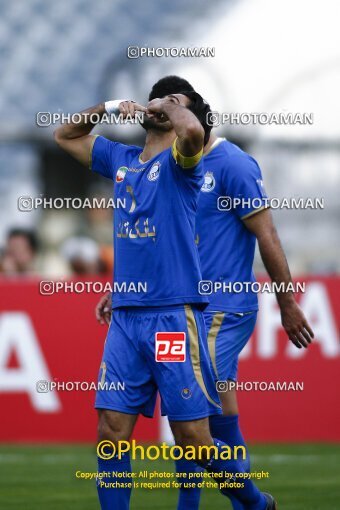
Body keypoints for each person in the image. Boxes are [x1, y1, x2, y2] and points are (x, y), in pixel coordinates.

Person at [54, 76, 275, 510]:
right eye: (159, 97)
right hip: (126, 319)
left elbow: (192, 132)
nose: (160, 102)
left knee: (193, 440)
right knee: (110, 432)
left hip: (173, 319)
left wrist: (172, 108)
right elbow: (65, 134)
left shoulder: (182, 163)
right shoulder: (121, 158)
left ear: (182, 116)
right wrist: (115, 104)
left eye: (174, 101)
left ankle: (253, 501)